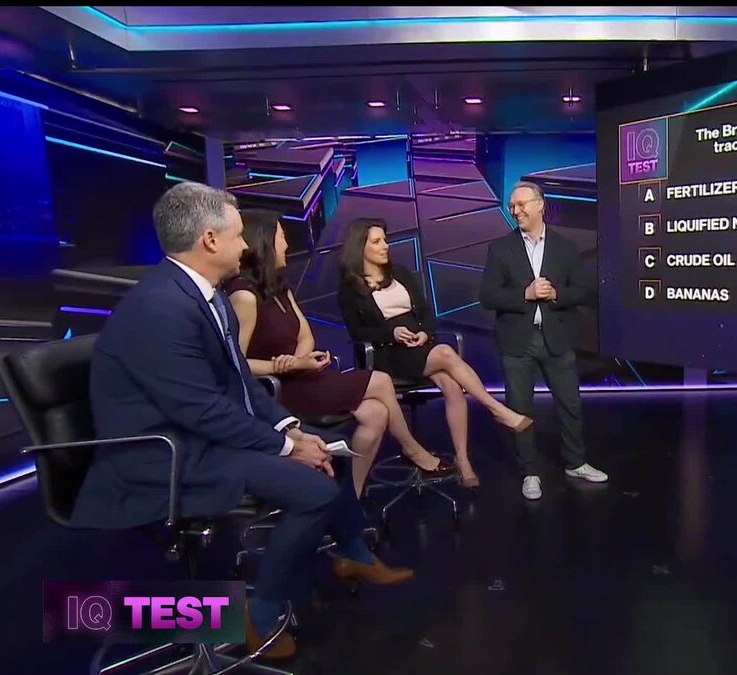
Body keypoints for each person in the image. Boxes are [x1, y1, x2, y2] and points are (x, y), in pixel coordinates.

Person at [73, 182, 412, 661]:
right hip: (162, 455)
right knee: (313, 490)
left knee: (329, 448)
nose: (246, 248)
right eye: (237, 237)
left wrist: (291, 430)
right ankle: (259, 614)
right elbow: (200, 408)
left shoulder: (202, 297)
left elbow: (240, 385)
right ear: (210, 240)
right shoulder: (162, 308)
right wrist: (288, 449)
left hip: (198, 437)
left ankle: (352, 554)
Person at [224, 209, 453, 496]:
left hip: (303, 376)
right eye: (282, 238)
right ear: (265, 244)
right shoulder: (244, 297)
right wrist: (282, 367)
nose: (287, 245)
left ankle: (351, 497)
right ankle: (413, 450)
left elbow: (305, 335)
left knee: (377, 413)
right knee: (380, 381)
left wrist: (301, 360)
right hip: (278, 390)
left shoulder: (281, 288)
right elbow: (235, 363)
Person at [338, 218, 533, 488]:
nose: (385, 246)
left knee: (452, 384)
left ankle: (463, 460)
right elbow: (357, 332)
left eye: (385, 240)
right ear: (360, 247)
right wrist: (391, 333)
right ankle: (496, 409)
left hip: (418, 347)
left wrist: (424, 333)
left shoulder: (401, 273)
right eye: (377, 242)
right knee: (446, 353)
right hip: (385, 355)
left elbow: (425, 312)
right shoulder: (350, 288)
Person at [479, 181, 608, 500]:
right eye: (512, 206)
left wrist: (556, 294)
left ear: (540, 205)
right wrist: (525, 294)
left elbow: (581, 291)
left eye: (521, 204)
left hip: (556, 337)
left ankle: (576, 462)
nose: (515, 210)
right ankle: (530, 472)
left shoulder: (565, 247)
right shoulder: (500, 248)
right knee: (520, 408)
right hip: (517, 341)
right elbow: (488, 296)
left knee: (570, 403)